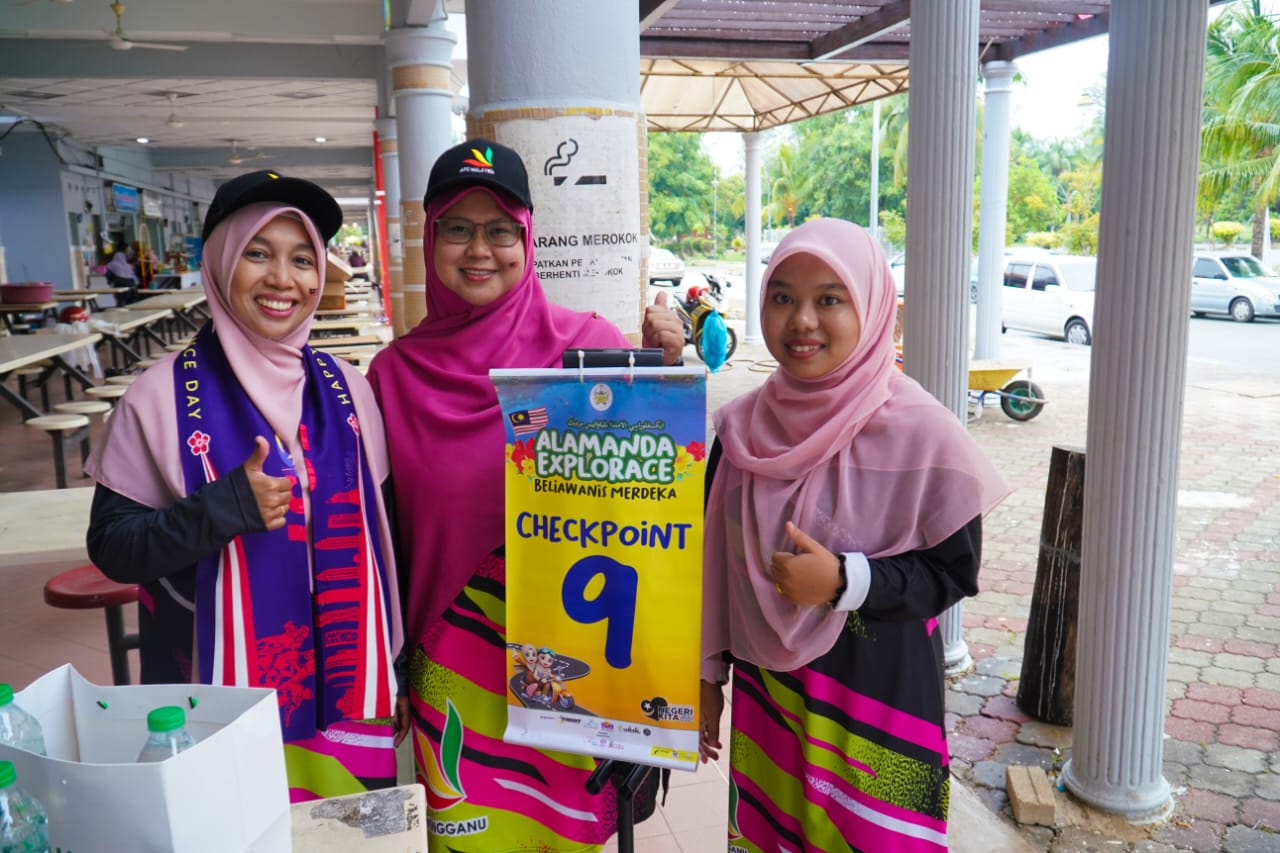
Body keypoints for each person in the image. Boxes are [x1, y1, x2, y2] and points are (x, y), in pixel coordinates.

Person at [365, 138, 683, 851]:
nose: (480, 249)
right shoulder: (392, 377)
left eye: (501, 229)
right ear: (431, 238)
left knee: (562, 834)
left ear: (527, 238)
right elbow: (382, 546)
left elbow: (648, 504)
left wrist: (661, 382)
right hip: (451, 662)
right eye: (458, 227)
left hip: (572, 661)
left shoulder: (587, 349)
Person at [84, 170, 404, 803]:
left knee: (344, 829)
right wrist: (220, 508)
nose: (283, 279)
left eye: (302, 259)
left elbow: (387, 537)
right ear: (220, 264)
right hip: (208, 685)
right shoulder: (158, 397)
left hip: (347, 683)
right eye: (258, 254)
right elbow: (113, 548)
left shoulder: (349, 389)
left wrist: (399, 660)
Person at [698, 219, 1010, 851]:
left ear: (871, 308)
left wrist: (846, 580)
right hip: (770, 695)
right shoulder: (740, 432)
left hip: (878, 705)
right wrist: (708, 678)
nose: (801, 320)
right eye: (782, 297)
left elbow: (953, 573)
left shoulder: (924, 433)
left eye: (829, 299)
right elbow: (714, 569)